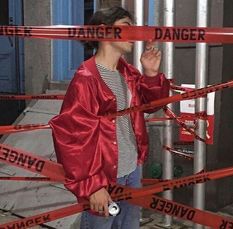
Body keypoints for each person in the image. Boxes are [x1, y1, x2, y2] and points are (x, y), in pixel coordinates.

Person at [50, 6, 170, 229]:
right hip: (104, 178)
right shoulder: (86, 79)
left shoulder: (128, 72)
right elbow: (71, 138)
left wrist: (151, 75)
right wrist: (93, 185)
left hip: (132, 170)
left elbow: (151, 106)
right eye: (126, 26)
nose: (133, 33)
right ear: (105, 31)